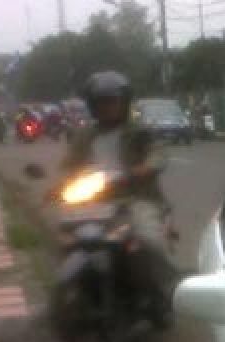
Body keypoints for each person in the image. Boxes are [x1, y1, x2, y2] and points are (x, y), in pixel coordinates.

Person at [60, 71, 175, 317]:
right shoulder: (84, 136)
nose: (107, 107)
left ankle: (165, 293)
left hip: (136, 199)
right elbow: (69, 165)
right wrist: (59, 185)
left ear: (124, 102)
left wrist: (143, 169)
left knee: (149, 242)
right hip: (94, 202)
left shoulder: (140, 132)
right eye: (101, 101)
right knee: (69, 239)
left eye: (112, 101)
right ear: (92, 105)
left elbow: (159, 154)